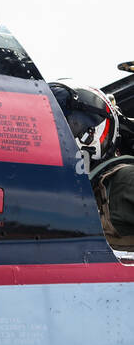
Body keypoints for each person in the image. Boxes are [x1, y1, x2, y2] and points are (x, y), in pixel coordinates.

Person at [50, 80, 134, 249]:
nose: (58, 136)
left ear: (93, 132)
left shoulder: (125, 180)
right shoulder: (65, 192)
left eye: (71, 125)